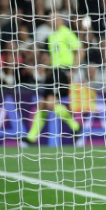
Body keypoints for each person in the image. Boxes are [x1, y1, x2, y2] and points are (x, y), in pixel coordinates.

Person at [23, 11, 83, 143]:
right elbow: (50, 57)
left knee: (50, 103)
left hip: (62, 71)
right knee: (43, 104)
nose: (52, 21)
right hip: (52, 73)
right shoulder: (50, 37)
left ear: (61, 19)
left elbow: (79, 49)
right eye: (49, 18)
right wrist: (44, 66)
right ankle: (31, 137)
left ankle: (76, 126)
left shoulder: (66, 33)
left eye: (54, 18)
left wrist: (74, 69)